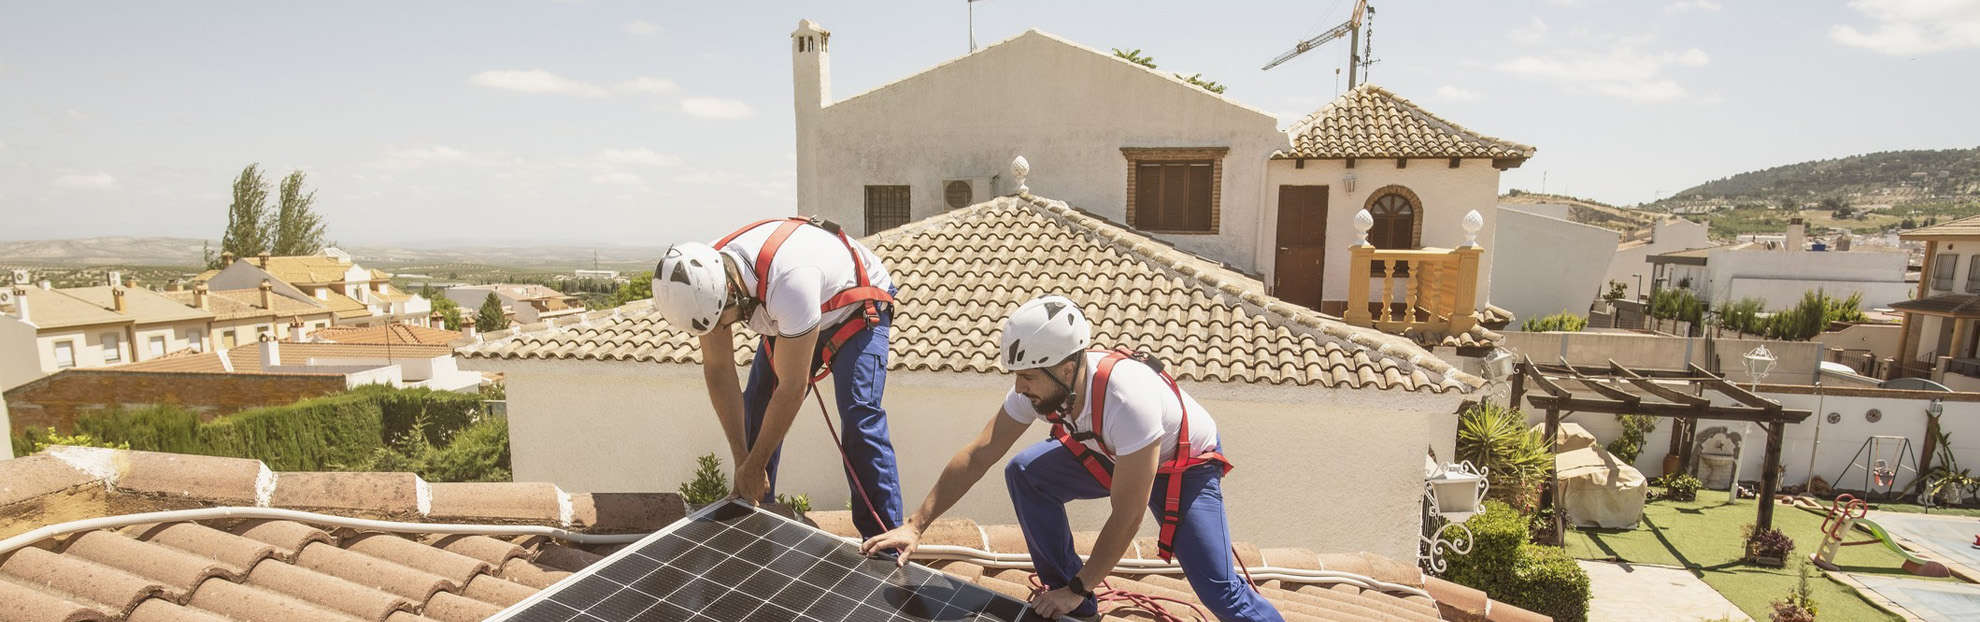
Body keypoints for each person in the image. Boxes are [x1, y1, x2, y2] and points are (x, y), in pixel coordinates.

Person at [861, 295, 1283, 621]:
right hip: (1112, 452)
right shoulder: (1042, 384)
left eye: (1026, 377)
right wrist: (915, 526)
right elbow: (979, 454)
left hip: (1182, 467)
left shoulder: (1126, 400)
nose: (1019, 387)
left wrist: (1081, 585)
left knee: (1218, 590)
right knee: (1025, 473)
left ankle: (1073, 594)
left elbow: (1127, 514)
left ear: (1065, 369)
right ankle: (1071, 605)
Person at [653, 216, 903, 539]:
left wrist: (755, 465)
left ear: (732, 292)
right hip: (793, 312)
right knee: (756, 410)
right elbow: (718, 370)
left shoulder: (789, 284)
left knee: (858, 418)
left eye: (722, 322)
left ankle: (885, 541)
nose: (721, 330)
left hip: (855, 309)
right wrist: (744, 460)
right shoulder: (703, 283)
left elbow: (791, 388)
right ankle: (755, 521)